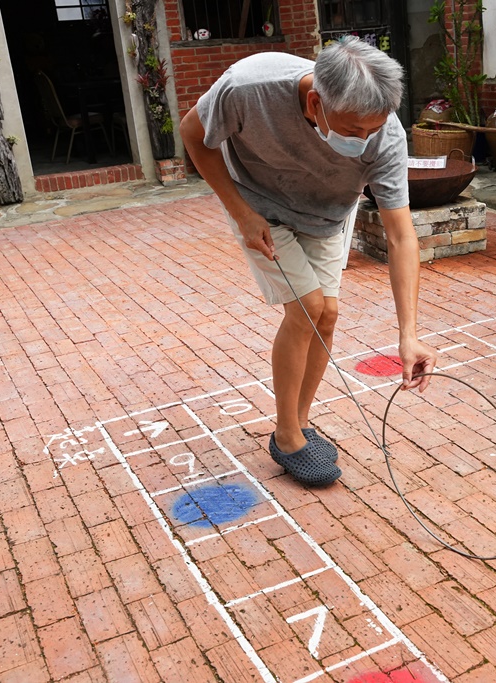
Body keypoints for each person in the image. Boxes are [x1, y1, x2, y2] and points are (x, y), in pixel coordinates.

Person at [180, 37, 437, 488]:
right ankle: (287, 434)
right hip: (260, 207)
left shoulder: (385, 135)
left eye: (373, 130)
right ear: (316, 102)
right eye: (355, 130)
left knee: (328, 314)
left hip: (327, 214)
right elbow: (191, 135)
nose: (365, 140)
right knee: (305, 309)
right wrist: (241, 213)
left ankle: (296, 425)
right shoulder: (248, 86)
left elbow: (400, 236)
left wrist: (409, 335)